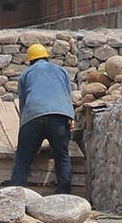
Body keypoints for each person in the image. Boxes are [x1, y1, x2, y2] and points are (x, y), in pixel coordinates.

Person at [10, 42, 77, 195]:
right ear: (47, 57)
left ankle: (15, 194)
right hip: (60, 117)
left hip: (34, 117)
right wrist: (70, 117)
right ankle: (64, 195)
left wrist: (24, 125)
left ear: (30, 60)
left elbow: (23, 102)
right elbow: (67, 95)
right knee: (62, 157)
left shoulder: (26, 74)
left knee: (23, 159)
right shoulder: (61, 71)